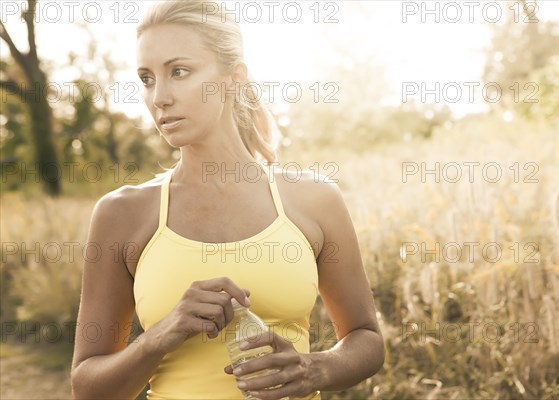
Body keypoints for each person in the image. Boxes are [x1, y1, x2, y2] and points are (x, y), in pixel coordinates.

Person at [70, 1, 384, 399]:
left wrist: (316, 369)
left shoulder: (315, 199)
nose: (159, 97)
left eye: (179, 72)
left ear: (233, 78)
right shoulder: (122, 214)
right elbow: (88, 387)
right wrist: (159, 337)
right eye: (147, 79)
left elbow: (366, 338)